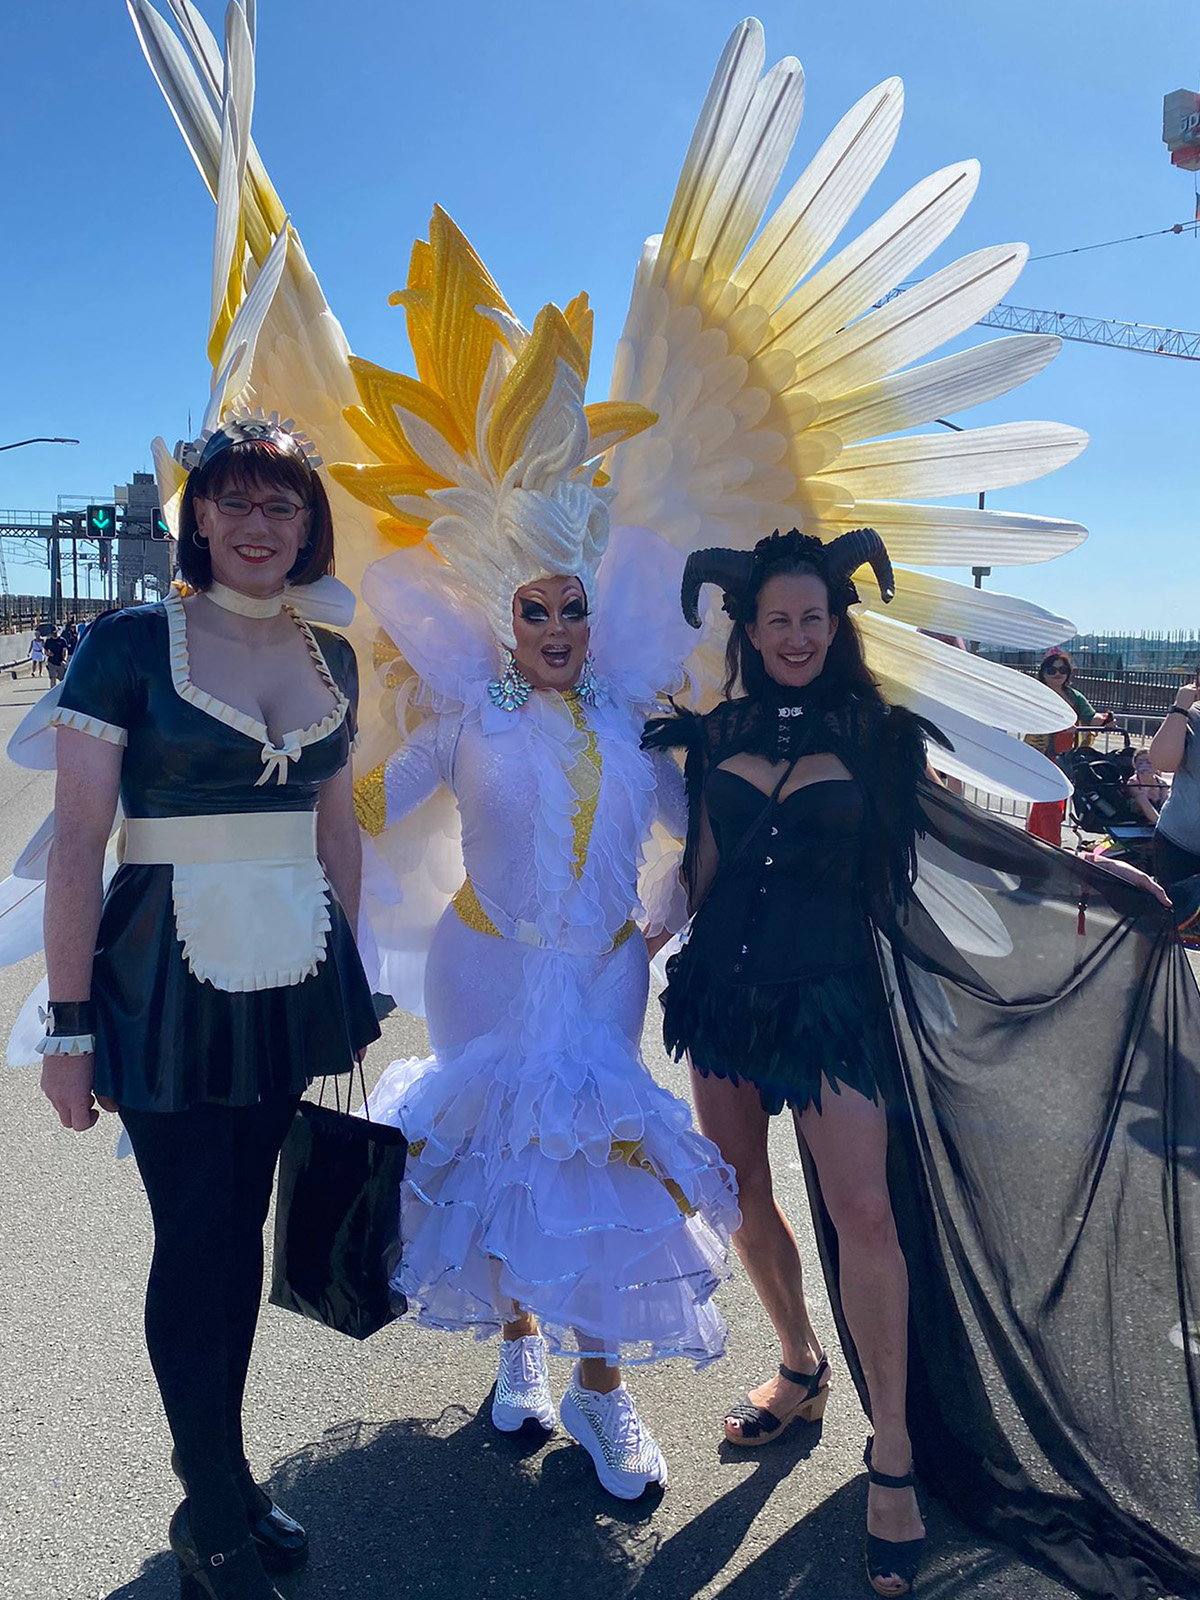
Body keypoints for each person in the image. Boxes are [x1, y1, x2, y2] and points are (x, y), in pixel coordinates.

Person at [646, 529, 1200, 1600]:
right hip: (723, 995)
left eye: (814, 617)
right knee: (738, 1192)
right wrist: (616, 949)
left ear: (834, 625)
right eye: (778, 621)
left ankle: (892, 1446)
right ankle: (800, 1364)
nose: (797, 635)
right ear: (749, 632)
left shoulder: (877, 734)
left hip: (832, 995)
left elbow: (957, 841)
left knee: (864, 1213)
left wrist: (1087, 875)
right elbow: (700, 868)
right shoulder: (715, 733)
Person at [335, 219, 739, 1504]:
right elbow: (364, 801)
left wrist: (674, 901)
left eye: (573, 606)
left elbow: (696, 808)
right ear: (502, 613)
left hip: (609, 970)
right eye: (536, 609)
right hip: (485, 964)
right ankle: (522, 1349)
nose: (560, 628)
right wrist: (297, 736)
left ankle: (604, 1387)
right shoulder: (461, 719)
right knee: (509, 1152)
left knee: (597, 1156)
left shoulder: (628, 708)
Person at [36, 415, 379, 1600]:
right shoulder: (132, 642)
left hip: (292, 972)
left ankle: (224, 1482)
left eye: (280, 505)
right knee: (196, 1239)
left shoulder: (332, 654)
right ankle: (212, 1513)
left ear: (307, 524)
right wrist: (67, 1026)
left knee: (240, 1235)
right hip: (162, 978)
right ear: (196, 518)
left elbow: (338, 832)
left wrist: (355, 970)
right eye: (231, 502)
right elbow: (81, 842)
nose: (255, 525)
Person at [1024, 650, 1115, 847]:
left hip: (1068, 757)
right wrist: (1057, 725)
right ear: (1043, 672)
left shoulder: (1074, 696)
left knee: (1053, 802)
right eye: (1052, 669)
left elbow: (1091, 716)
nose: (1058, 674)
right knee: (1050, 803)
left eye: (1062, 669)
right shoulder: (1037, 696)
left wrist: (1105, 720)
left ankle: (1034, 840)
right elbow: (1027, 719)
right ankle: (1050, 844)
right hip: (1043, 756)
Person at [1147, 671, 1200, 889]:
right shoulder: (1194, 715)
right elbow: (1162, 761)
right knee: (1175, 919)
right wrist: (1180, 708)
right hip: (1180, 845)